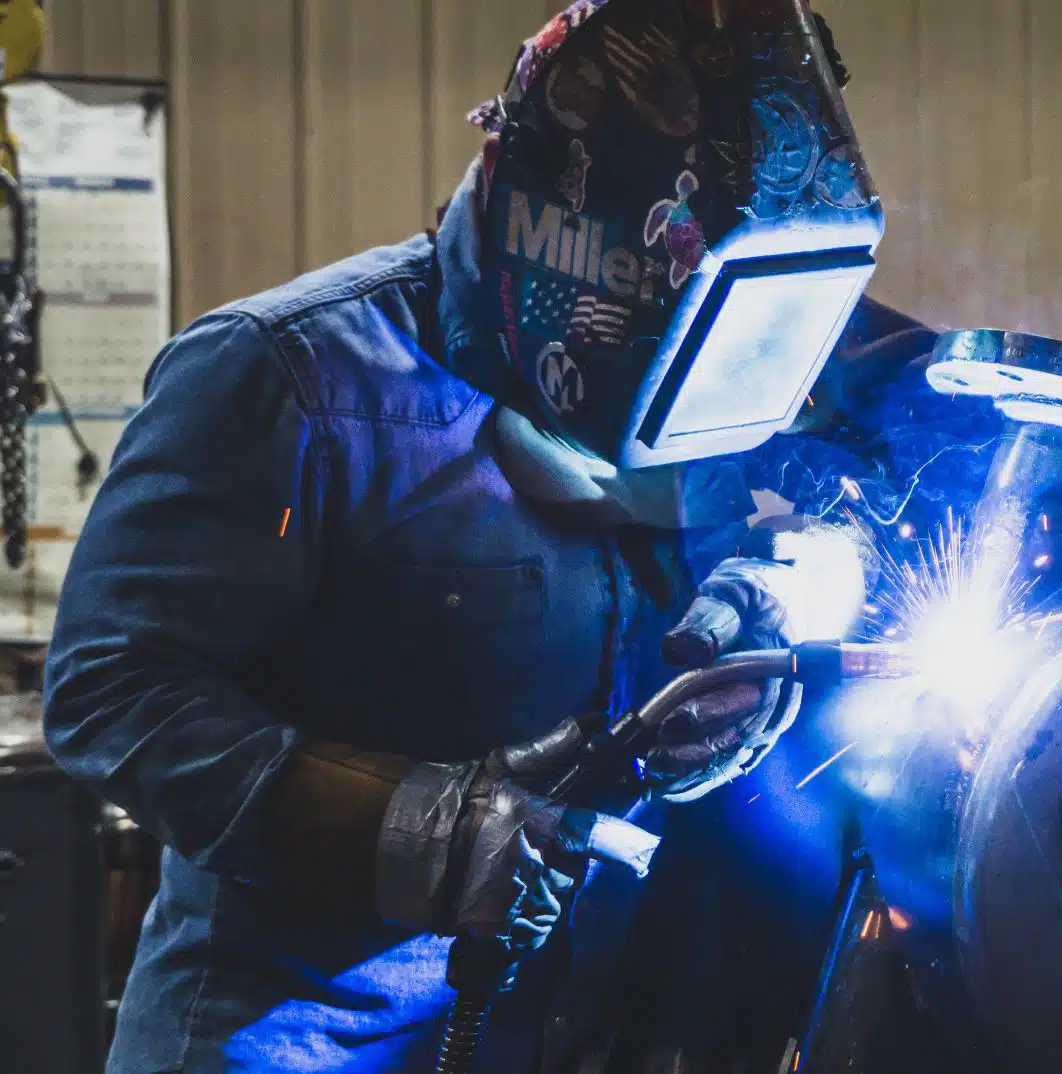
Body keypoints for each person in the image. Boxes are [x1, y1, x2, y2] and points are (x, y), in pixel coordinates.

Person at [42, 1, 881, 1070]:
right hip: (299, 1042)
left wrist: (764, 629)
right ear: (571, 248)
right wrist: (418, 835)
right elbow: (111, 690)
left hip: (567, 1034)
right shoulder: (288, 376)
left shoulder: (716, 345)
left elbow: (804, 536)